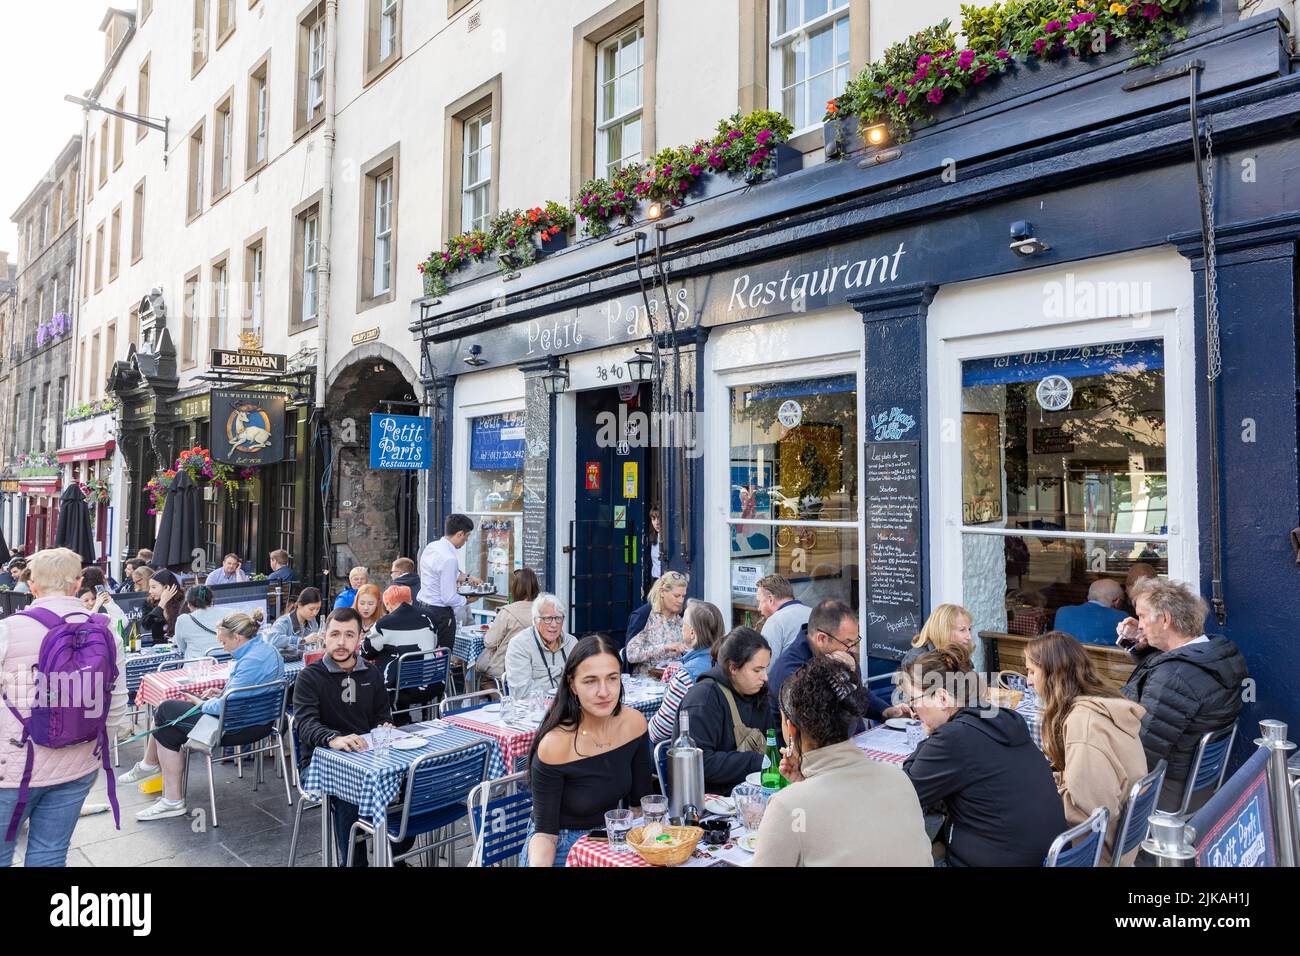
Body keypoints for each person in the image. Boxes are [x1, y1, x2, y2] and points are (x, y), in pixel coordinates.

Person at [0, 548, 128, 867]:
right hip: (81, 761)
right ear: (78, 583)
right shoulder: (107, 629)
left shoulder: (8, 630)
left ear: (32, 587)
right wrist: (98, 745)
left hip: (13, 768)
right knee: (51, 852)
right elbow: (117, 702)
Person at [753, 655, 932, 867]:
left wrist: (799, 792)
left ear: (791, 728)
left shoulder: (787, 806)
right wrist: (803, 784)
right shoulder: (899, 779)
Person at [900, 645, 1067, 866]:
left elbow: (905, 792)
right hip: (1048, 855)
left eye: (914, 701)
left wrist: (930, 737)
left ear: (942, 698)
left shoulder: (954, 738)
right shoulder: (1001, 717)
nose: (914, 712)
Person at [124, 612, 285, 820]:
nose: (223, 648)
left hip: (235, 728)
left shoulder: (249, 661)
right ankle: (164, 788)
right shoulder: (269, 651)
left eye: (224, 642)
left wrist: (203, 703)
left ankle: (161, 782)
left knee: (164, 710)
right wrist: (222, 694)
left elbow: (225, 706)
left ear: (237, 637)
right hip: (262, 723)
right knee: (169, 726)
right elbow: (247, 692)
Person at [1118, 577, 1248, 813]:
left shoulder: (1173, 677)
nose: (1140, 625)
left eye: (1143, 616)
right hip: (1199, 781)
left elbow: (1141, 754)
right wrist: (1138, 645)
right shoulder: (1214, 652)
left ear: (1165, 619)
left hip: (1166, 790)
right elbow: (1170, 678)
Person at [523, 634, 654, 867]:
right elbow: (545, 835)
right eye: (590, 681)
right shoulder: (555, 744)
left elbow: (639, 808)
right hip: (563, 845)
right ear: (572, 684)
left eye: (612, 678)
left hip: (614, 841)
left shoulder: (634, 724)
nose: (604, 692)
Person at [1025, 631, 1148, 865]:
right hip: (1124, 840)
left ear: (1053, 674)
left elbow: (1091, 814)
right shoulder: (1103, 703)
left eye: (1032, 671)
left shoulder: (1084, 724)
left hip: (1099, 853)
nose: (1028, 681)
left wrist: (1037, 794)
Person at [292, 607, 394, 867]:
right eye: (335, 634)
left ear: (361, 637)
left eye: (349, 635)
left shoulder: (371, 674)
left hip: (367, 757)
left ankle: (395, 848)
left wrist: (385, 727)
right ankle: (354, 862)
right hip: (320, 763)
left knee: (409, 783)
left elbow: (383, 715)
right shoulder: (309, 677)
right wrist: (332, 738)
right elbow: (305, 724)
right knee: (349, 794)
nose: (340, 642)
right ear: (324, 636)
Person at [767, 600, 906, 737]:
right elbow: (822, 722)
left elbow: (857, 692)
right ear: (821, 639)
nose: (853, 649)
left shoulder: (840, 654)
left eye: (855, 641)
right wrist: (850, 673)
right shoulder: (788, 671)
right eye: (847, 643)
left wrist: (886, 711)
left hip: (853, 744)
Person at [676, 627, 772, 793]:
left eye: (766, 668)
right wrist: (756, 761)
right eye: (757, 670)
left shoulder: (760, 693)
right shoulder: (703, 699)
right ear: (733, 668)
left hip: (756, 792)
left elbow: (774, 739)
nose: (765, 677)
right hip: (710, 800)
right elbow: (701, 762)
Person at [649, 599, 726, 744]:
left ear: (692, 632)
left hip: (693, 750)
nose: (680, 627)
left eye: (683, 623)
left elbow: (659, 731)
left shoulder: (686, 675)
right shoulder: (730, 664)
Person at [364, 585, 443, 718]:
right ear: (410, 601)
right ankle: (418, 717)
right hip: (433, 683)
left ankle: (398, 719)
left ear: (388, 604)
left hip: (398, 689)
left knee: (388, 665)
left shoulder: (384, 624)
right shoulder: (429, 617)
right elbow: (434, 644)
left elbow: (365, 652)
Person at [417, 513, 480, 644]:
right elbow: (449, 598)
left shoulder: (432, 547)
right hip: (440, 614)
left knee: (426, 653)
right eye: (467, 536)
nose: (466, 541)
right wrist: (468, 600)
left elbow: (441, 573)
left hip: (423, 609)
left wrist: (467, 578)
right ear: (460, 534)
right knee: (442, 656)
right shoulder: (449, 559)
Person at [505, 593, 578, 699]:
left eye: (558, 618)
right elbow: (521, 694)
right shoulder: (520, 645)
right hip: (533, 710)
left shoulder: (571, 642)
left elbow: (581, 680)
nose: (554, 624)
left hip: (569, 707)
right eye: (548, 619)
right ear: (536, 620)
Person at [480, 568, 540, 687]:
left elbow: (489, 642)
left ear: (516, 588)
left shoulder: (507, 612)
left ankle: (499, 700)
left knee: (482, 678)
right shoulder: (542, 610)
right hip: (536, 664)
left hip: (506, 666)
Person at [625, 570, 689, 677]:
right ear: (662, 592)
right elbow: (631, 655)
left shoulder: (681, 617)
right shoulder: (643, 615)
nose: (681, 601)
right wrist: (665, 647)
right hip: (647, 684)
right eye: (676, 596)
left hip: (676, 683)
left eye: (683, 596)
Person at [1052, 579, 1129, 646]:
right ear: (1117, 602)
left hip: (1064, 661)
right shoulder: (1122, 617)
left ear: (1089, 596)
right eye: (1122, 602)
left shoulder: (1062, 612)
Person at [754, 574, 810, 665]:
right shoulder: (813, 613)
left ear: (770, 599)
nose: (759, 608)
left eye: (760, 601)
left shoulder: (774, 622)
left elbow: (766, 668)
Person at [900, 603, 974, 670]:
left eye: (969, 629)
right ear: (943, 631)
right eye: (962, 630)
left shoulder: (959, 651)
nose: (969, 637)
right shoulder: (917, 659)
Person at [172, 585, 226, 659]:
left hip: (196, 666)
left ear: (189, 604)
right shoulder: (230, 613)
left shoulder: (183, 620)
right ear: (211, 600)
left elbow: (182, 648)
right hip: (226, 662)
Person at [265, 587, 323, 652]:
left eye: (318, 609)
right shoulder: (285, 621)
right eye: (311, 609)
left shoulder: (312, 621)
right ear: (300, 605)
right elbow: (272, 640)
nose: (315, 613)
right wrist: (303, 640)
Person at [139, 569, 182, 645]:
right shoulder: (149, 602)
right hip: (159, 646)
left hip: (178, 645)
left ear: (166, 587)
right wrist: (161, 604)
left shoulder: (182, 601)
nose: (150, 591)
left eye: (153, 587)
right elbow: (146, 625)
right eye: (150, 587)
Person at [641, 506, 662, 598]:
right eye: (653, 519)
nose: (656, 522)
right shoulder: (654, 537)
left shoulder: (667, 539)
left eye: (659, 518)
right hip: (655, 581)